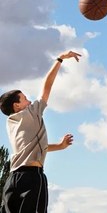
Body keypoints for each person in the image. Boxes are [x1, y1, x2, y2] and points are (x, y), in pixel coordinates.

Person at [0, 50, 81, 213]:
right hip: (31, 177)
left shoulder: (12, 123)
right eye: (25, 98)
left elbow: (34, 147)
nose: (30, 101)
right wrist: (60, 59)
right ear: (17, 105)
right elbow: (47, 86)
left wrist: (59, 146)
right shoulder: (31, 112)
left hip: (12, 179)